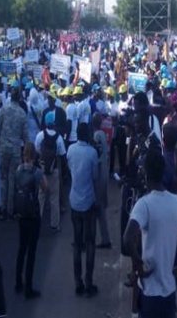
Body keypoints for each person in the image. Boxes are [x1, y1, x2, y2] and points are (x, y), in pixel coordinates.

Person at [123, 149, 177, 318]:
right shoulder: (176, 202)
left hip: (149, 293)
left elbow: (127, 238)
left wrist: (138, 264)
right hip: (169, 293)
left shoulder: (144, 205)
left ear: (146, 174)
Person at [66, 121, 99, 297]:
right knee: (90, 243)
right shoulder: (92, 153)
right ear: (87, 135)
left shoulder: (71, 150)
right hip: (88, 201)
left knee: (77, 243)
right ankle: (89, 282)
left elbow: (69, 168)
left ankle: (77, 282)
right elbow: (95, 176)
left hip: (74, 200)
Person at [14, 141, 47, 299]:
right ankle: (29, 287)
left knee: (21, 248)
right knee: (31, 251)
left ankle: (18, 282)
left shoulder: (19, 169)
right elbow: (45, 188)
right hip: (33, 215)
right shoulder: (36, 172)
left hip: (21, 214)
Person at [0, 83, 29, 220]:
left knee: (3, 179)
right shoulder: (22, 114)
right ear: (19, 99)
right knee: (13, 180)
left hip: (4, 148)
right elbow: (25, 137)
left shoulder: (3, 109)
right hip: (15, 150)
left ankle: (3, 210)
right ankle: (11, 211)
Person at [35, 108, 66, 232]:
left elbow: (37, 150)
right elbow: (62, 154)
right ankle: (54, 224)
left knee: (41, 196)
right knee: (54, 198)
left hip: (42, 169)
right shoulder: (59, 138)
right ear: (54, 123)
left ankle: (37, 221)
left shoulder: (40, 135)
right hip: (54, 169)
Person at [91, 113, 112, 249]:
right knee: (101, 207)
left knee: (98, 208)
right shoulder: (103, 134)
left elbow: (96, 157)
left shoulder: (97, 136)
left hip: (99, 176)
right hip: (104, 172)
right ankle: (104, 237)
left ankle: (104, 239)